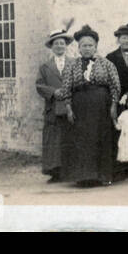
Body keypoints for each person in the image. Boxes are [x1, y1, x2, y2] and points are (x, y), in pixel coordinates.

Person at [55, 25, 120, 186]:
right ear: (79, 48)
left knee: (101, 139)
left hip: (101, 107)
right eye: (84, 45)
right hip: (80, 107)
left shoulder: (106, 64)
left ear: (96, 47)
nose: (87, 48)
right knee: (82, 141)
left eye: (90, 45)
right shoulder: (72, 65)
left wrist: (113, 105)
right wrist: (69, 108)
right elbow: (66, 88)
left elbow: (115, 86)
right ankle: (83, 177)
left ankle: (103, 176)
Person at [35, 25, 73, 183]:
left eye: (62, 43)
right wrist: (53, 92)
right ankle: (54, 172)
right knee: (53, 140)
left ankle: (70, 170)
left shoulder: (74, 63)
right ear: (51, 47)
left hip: (71, 107)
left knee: (69, 138)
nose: (59, 46)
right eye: (56, 44)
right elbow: (39, 85)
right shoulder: (45, 67)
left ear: (66, 46)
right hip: (53, 108)